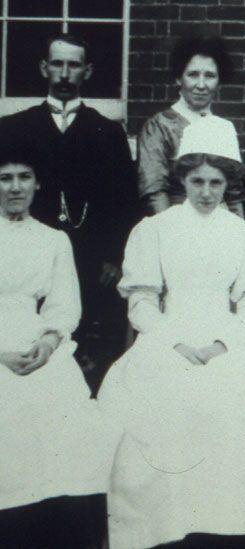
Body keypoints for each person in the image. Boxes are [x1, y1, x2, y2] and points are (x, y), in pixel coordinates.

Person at [98, 118, 245, 549]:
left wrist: (221, 345)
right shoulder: (155, 230)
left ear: (228, 184)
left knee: (236, 415)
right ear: (182, 178)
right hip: (167, 337)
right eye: (197, 180)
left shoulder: (244, 235)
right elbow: (142, 303)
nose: (206, 192)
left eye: (216, 182)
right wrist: (176, 343)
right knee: (159, 411)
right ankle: (159, 528)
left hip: (226, 343)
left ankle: (219, 530)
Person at [0, 33, 139, 392]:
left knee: (89, 343)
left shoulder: (107, 132)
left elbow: (125, 200)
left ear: (87, 71)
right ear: (44, 67)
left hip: (93, 256)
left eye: (73, 64)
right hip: (30, 251)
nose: (64, 72)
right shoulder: (15, 127)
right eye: (57, 63)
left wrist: (115, 256)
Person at [0, 141, 118, 548]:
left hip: (36, 341)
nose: (15, 187)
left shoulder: (53, 240)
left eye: (24, 177)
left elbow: (64, 305)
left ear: (37, 185)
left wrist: (48, 344)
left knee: (67, 413)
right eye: (5, 178)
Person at [137, 35, 244, 216]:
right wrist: (172, 234)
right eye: (193, 75)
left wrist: (240, 236)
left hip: (220, 225)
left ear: (219, 82)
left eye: (209, 76)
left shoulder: (223, 128)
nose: (201, 85)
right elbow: (155, 193)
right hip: (178, 223)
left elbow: (234, 197)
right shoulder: (159, 126)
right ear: (179, 79)